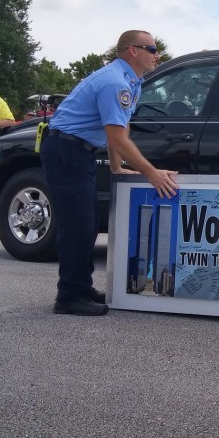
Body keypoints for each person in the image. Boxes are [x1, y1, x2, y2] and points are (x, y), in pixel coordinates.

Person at [41, 30, 180, 316]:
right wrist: (152, 173)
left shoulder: (132, 82)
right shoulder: (115, 82)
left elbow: (121, 129)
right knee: (77, 225)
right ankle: (69, 296)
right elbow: (117, 138)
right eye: (151, 49)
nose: (158, 55)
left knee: (87, 224)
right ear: (132, 51)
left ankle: (80, 286)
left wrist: (117, 167)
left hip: (78, 152)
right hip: (66, 151)